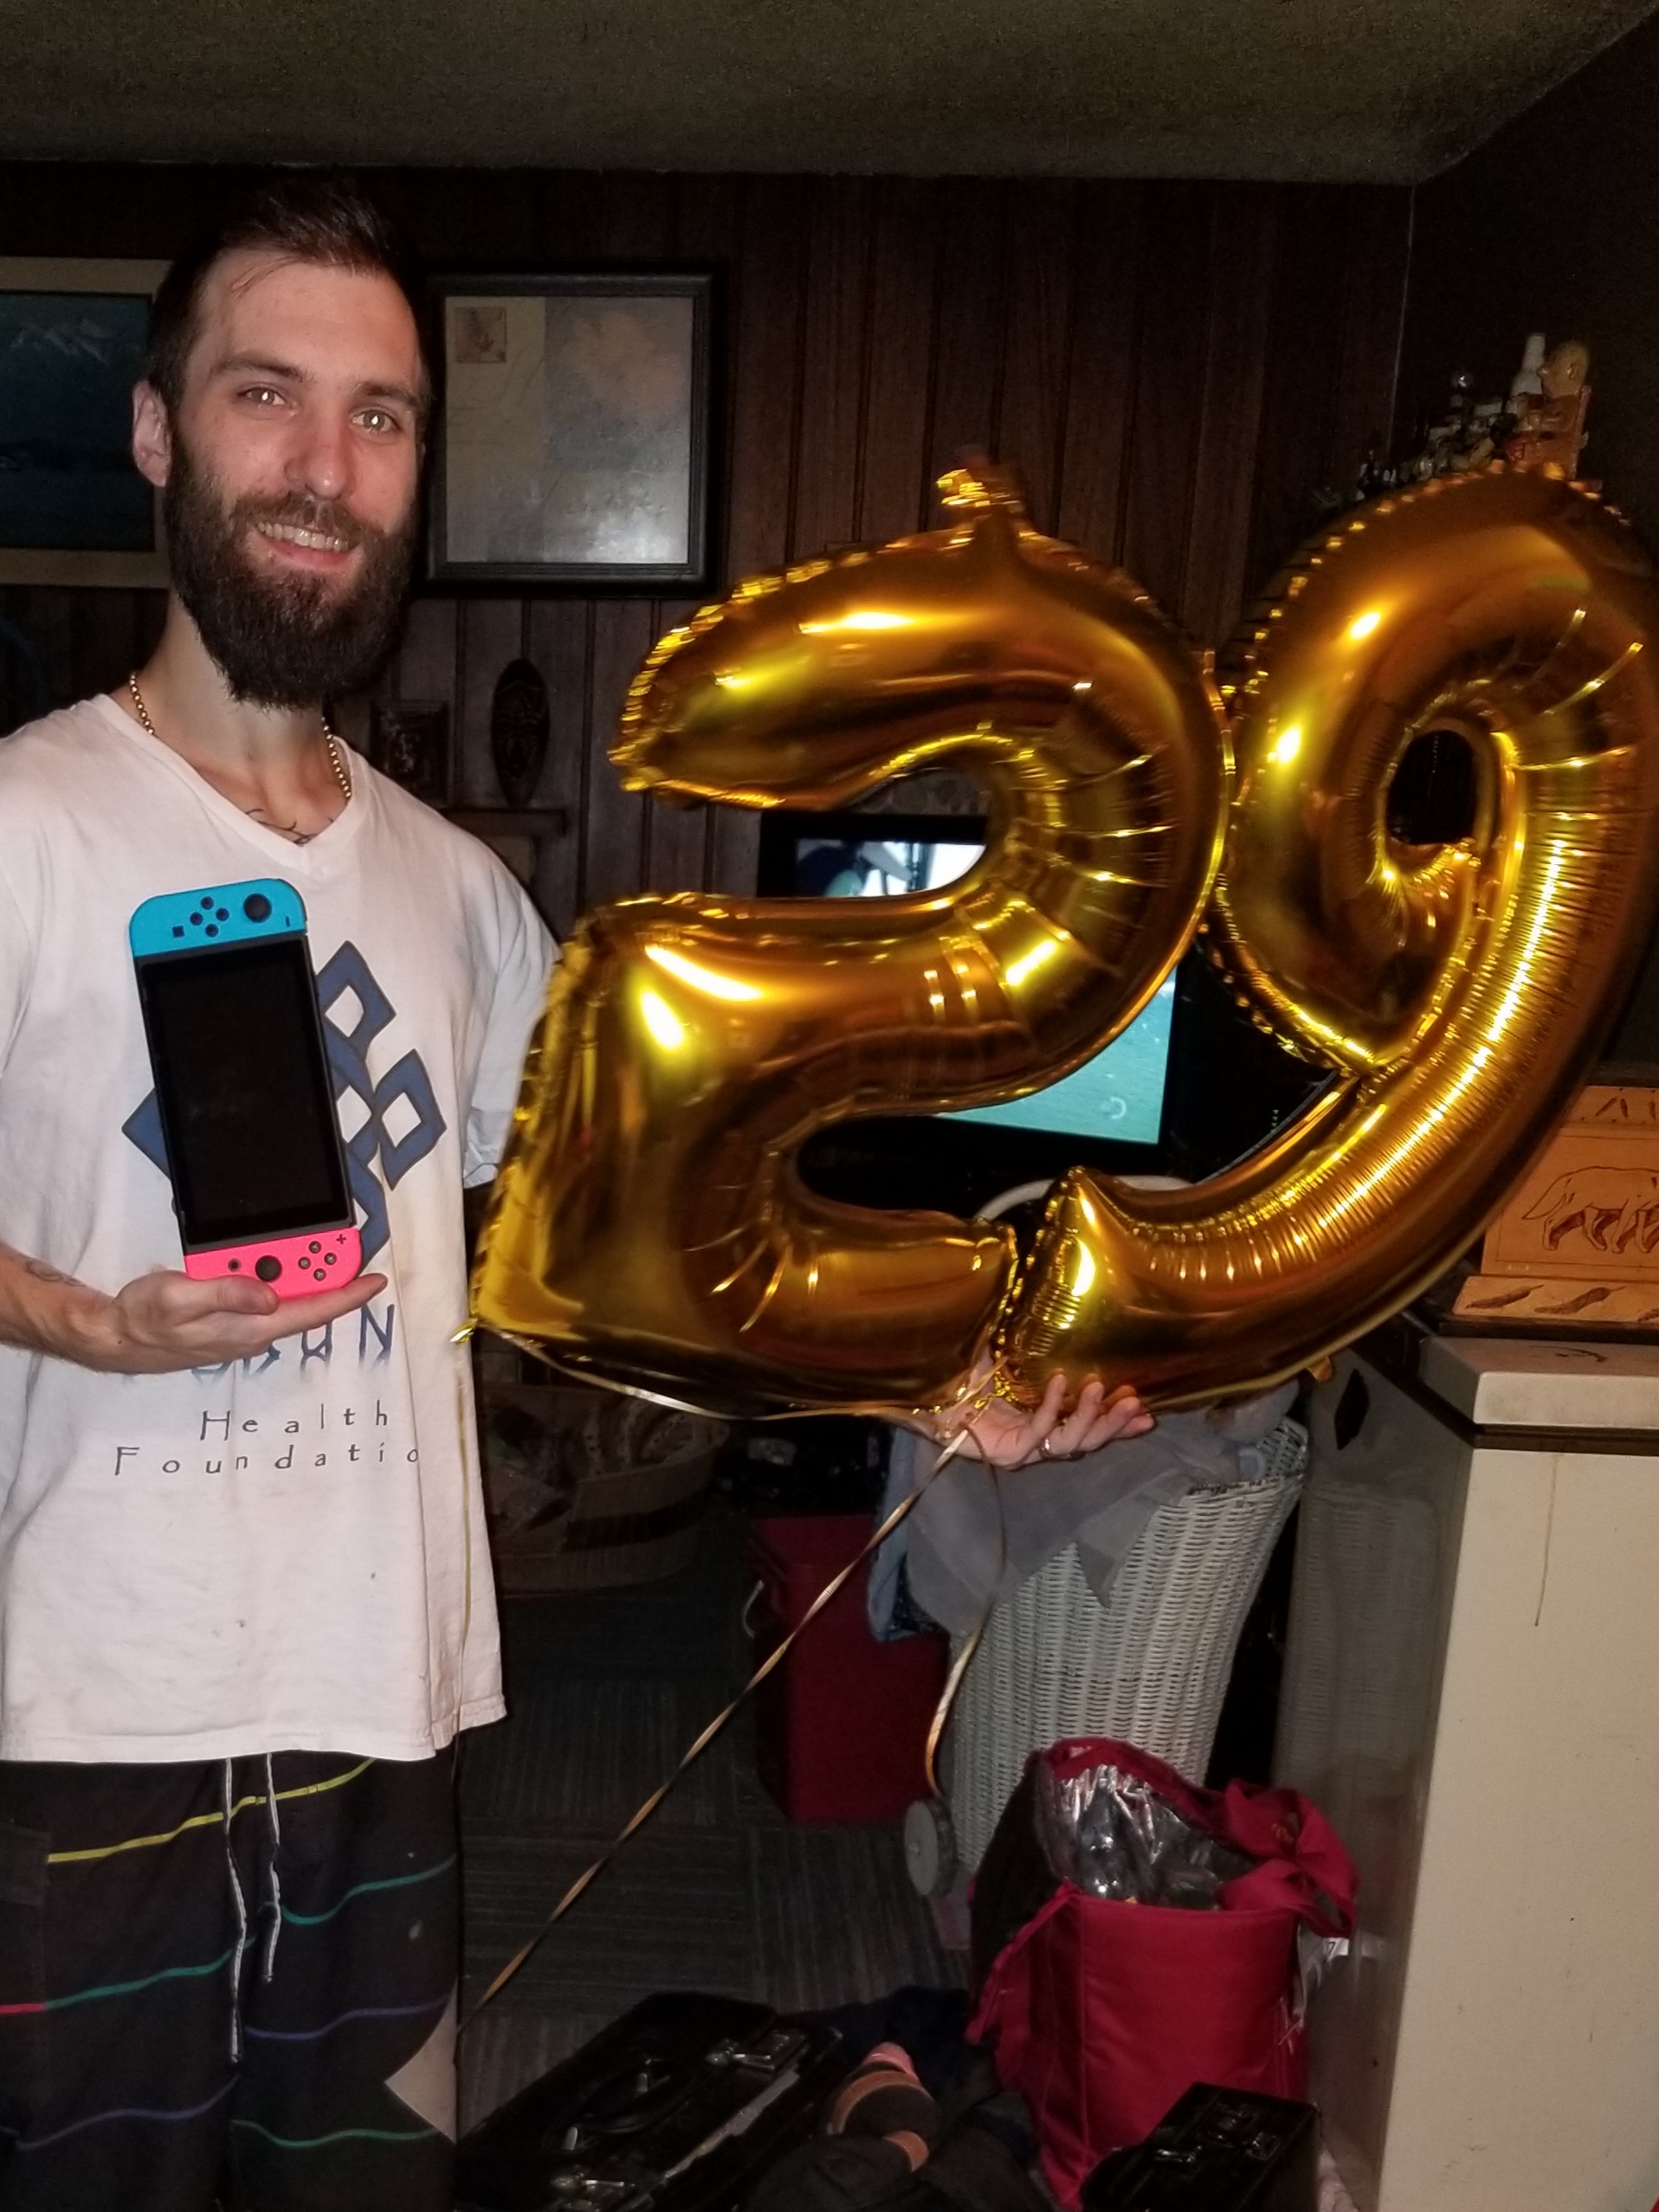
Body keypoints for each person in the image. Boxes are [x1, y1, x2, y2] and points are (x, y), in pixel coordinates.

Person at [0, 177, 1148, 2212]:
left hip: (381, 1702)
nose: (325, 466)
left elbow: (622, 1259)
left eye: (380, 416)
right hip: (79, 1715)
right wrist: (88, 1320)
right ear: (160, 431)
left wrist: (923, 1387)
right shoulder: (23, 823)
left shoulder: (460, 894)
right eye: (267, 395)